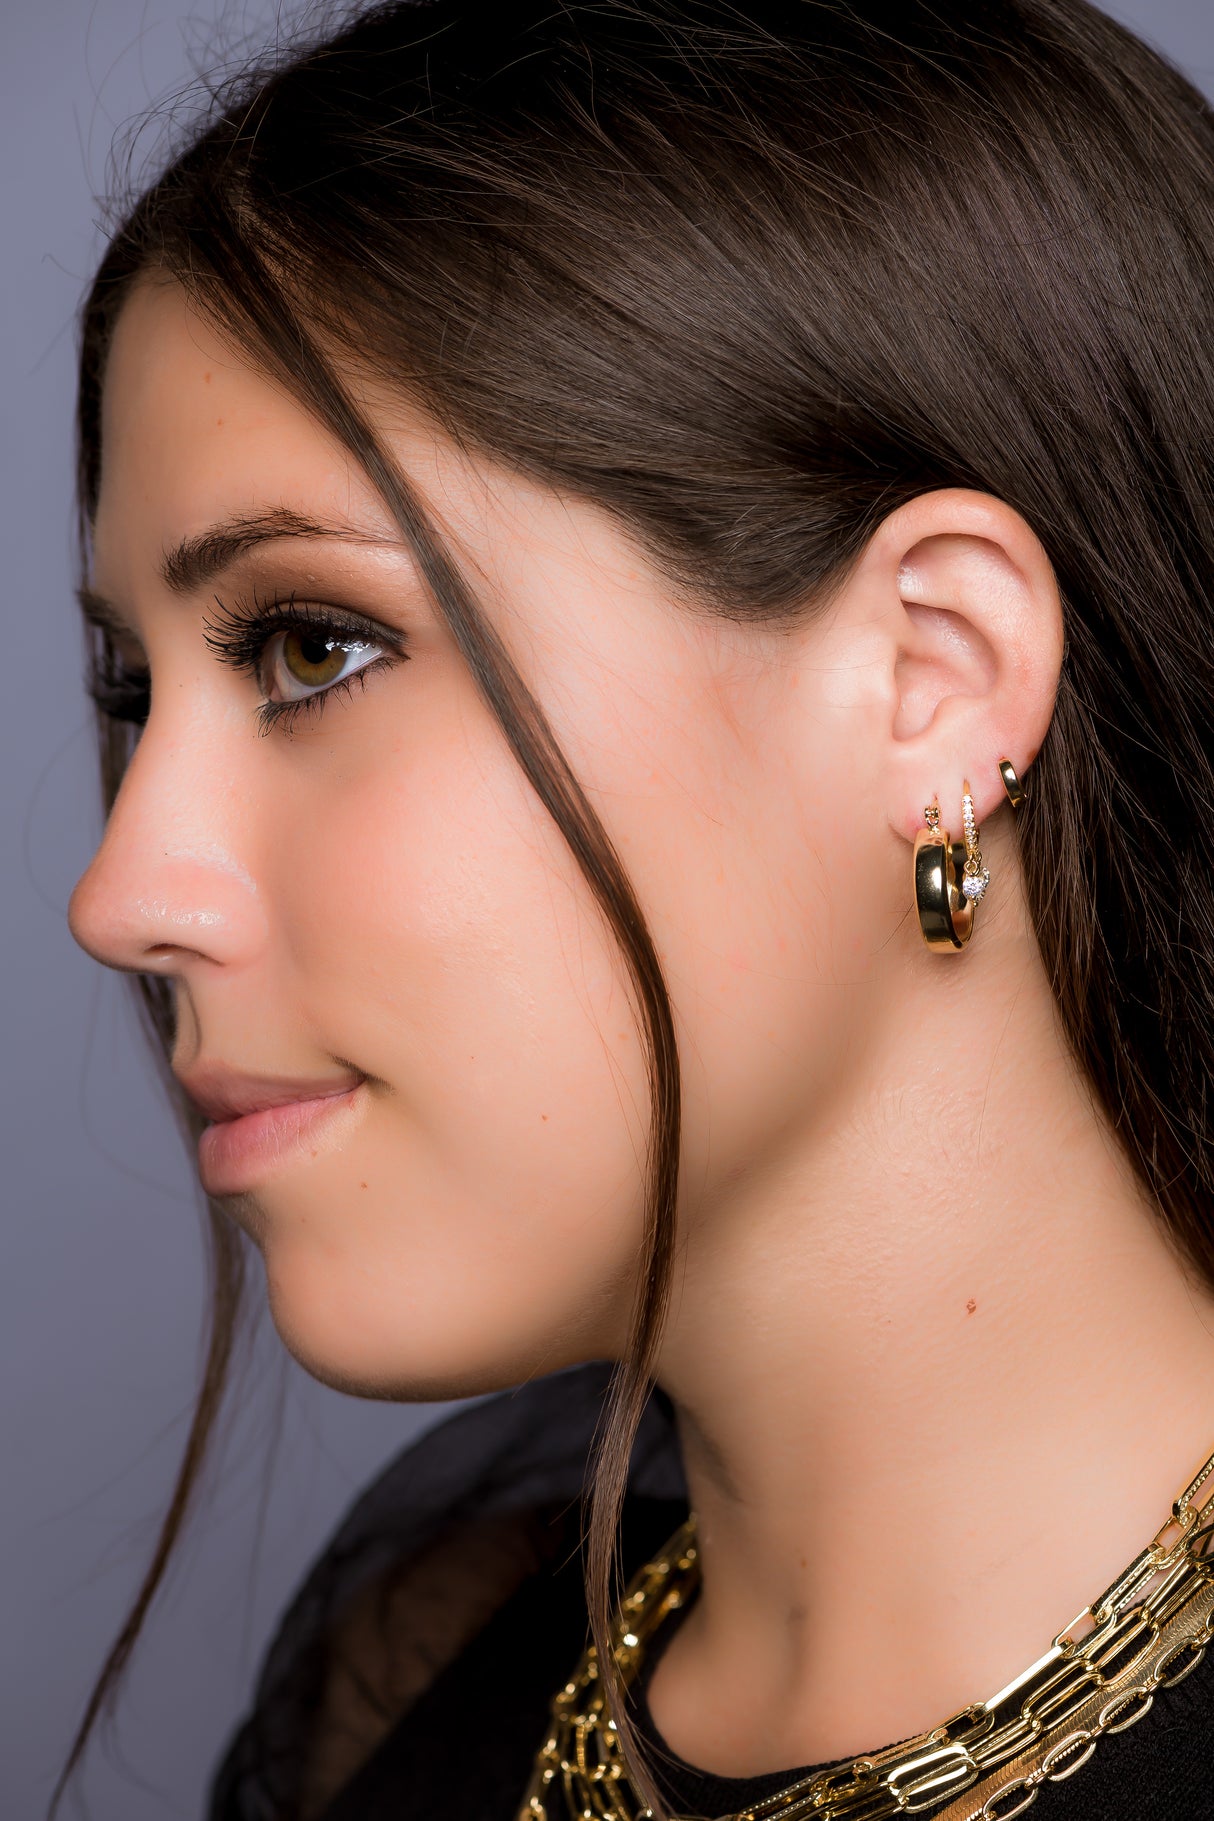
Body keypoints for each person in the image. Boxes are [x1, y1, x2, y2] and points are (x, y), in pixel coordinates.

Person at [54, 1, 1214, 1817]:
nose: (121, 893)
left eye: (310, 645)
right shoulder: (422, 1697)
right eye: (138, 696)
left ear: (932, 677)